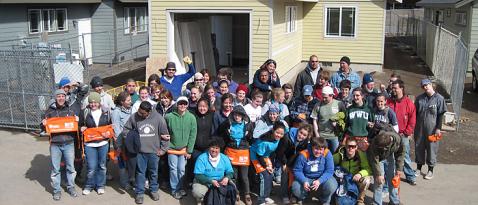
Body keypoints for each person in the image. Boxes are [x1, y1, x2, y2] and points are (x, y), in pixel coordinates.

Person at [122, 101, 170, 204]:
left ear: (149, 111)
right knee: (140, 173)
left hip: (154, 152)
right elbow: (126, 130)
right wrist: (132, 139)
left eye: (143, 113)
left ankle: (153, 190)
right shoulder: (135, 117)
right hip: (140, 152)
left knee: (153, 172)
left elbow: (165, 135)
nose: (140, 115)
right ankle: (140, 193)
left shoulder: (158, 118)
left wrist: (163, 150)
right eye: (139, 112)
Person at [43, 89, 79, 200]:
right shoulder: (49, 111)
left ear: (65, 97)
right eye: (58, 96)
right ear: (55, 98)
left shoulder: (70, 109)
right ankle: (57, 190)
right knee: (55, 169)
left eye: (63, 96)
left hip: (69, 143)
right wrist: (43, 124)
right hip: (55, 144)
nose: (61, 98)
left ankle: (71, 187)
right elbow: (43, 129)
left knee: (70, 167)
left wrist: (77, 120)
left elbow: (75, 127)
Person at [217, 105, 254, 205]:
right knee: (234, 175)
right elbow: (221, 133)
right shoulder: (228, 124)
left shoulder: (248, 125)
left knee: (244, 176)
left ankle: (247, 194)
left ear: (243, 116)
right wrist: (226, 128)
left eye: (239, 115)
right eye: (235, 115)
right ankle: (236, 192)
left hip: (243, 152)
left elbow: (251, 138)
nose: (237, 117)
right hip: (232, 151)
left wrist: (248, 135)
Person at [80, 92, 112, 195]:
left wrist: (109, 132)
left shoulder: (106, 112)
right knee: (91, 167)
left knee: (102, 166)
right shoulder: (85, 112)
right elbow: (80, 125)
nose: (93, 104)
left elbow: (110, 126)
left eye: (95, 102)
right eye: (91, 102)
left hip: (103, 143)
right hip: (90, 144)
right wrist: (81, 128)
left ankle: (100, 185)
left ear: (99, 103)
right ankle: (89, 185)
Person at [165, 96, 197, 199]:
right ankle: (175, 189)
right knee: (173, 169)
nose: (182, 105)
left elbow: (193, 135)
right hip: (171, 148)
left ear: (187, 105)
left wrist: (189, 150)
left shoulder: (191, 117)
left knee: (182, 169)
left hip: (184, 150)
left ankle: (181, 187)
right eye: (180, 103)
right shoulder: (169, 117)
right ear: (177, 104)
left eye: (185, 103)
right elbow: (163, 130)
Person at [414, 79, 446, 180]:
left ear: (431, 85)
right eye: (423, 86)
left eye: (427, 85)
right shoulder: (419, 98)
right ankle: (418, 168)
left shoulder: (439, 98)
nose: (425, 87)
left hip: (432, 129)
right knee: (419, 146)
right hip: (419, 128)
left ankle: (430, 170)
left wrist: (438, 128)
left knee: (432, 148)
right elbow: (415, 114)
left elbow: (440, 114)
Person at [387, 79, 417, 185]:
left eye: (395, 88)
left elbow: (412, 120)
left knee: (405, 157)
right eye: (392, 88)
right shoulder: (389, 102)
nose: (393, 90)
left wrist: (406, 133)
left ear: (401, 89)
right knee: (389, 157)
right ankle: (390, 176)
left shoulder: (409, 103)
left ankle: (410, 176)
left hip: (403, 135)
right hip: (391, 135)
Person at [291, 137, 337, 205]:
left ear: (324, 149)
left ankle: (324, 200)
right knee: (296, 187)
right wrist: (304, 181)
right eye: (316, 149)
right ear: (312, 147)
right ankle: (303, 197)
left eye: (321, 149)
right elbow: (297, 170)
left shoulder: (327, 153)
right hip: (306, 177)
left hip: (321, 177)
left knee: (332, 185)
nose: (318, 152)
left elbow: (329, 171)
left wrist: (319, 180)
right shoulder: (304, 154)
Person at [274, 124, 312, 204]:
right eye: (300, 132)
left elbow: (302, 154)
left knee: (295, 177)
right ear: (298, 130)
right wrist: (284, 164)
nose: (301, 136)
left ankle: (293, 195)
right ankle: (284, 195)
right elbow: (280, 151)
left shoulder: (305, 142)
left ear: (307, 136)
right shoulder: (287, 136)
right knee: (285, 175)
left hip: (295, 160)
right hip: (284, 158)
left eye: (304, 135)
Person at [250, 122, 286, 205]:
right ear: (273, 130)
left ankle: (266, 196)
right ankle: (261, 200)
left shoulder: (279, 139)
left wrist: (272, 165)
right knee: (265, 176)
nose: (279, 135)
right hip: (256, 156)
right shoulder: (264, 141)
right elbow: (259, 155)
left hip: (265, 156)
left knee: (270, 176)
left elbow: (274, 152)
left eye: (281, 134)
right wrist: (266, 166)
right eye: (277, 132)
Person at [192, 140, 236, 205]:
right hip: (204, 183)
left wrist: (226, 178)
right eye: (212, 147)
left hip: (220, 182)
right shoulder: (202, 158)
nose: (214, 150)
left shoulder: (224, 158)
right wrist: (211, 181)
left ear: (220, 149)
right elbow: (198, 175)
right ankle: (201, 200)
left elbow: (230, 172)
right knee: (197, 192)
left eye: (217, 148)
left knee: (233, 187)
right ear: (209, 148)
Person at [368, 130, 405, 205]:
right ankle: (377, 203)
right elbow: (375, 160)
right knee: (379, 182)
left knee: (393, 179)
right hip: (378, 159)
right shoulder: (376, 142)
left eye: (383, 148)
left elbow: (401, 153)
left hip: (390, 156)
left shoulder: (398, 140)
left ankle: (394, 202)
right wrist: (378, 174)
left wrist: (399, 169)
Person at [333, 137, 373, 205]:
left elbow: (368, 169)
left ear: (356, 147)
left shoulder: (361, 155)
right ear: (345, 146)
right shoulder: (340, 155)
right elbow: (328, 163)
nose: (350, 148)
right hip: (343, 180)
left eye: (353, 146)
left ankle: (360, 201)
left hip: (356, 178)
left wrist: (360, 174)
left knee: (367, 180)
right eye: (349, 146)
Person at [311, 86, 346, 152]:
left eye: (326, 97)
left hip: (334, 136)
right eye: (323, 97)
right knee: (322, 155)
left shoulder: (339, 104)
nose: (324, 99)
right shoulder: (318, 105)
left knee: (335, 154)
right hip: (322, 136)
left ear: (331, 95)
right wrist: (317, 135)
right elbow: (314, 120)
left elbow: (344, 117)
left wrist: (338, 124)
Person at [111, 91, 133, 190]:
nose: (130, 101)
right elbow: (116, 129)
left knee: (130, 161)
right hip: (121, 141)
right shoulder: (116, 112)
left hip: (130, 141)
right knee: (122, 163)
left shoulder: (132, 109)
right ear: (122, 102)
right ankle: (124, 182)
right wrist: (118, 145)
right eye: (128, 100)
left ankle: (131, 179)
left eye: (130, 99)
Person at [345, 87, 374, 151]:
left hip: (363, 139)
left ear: (362, 96)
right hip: (350, 138)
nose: (355, 97)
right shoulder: (349, 109)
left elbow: (373, 124)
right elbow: (346, 124)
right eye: (354, 95)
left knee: (363, 159)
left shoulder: (369, 109)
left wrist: (369, 125)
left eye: (357, 95)